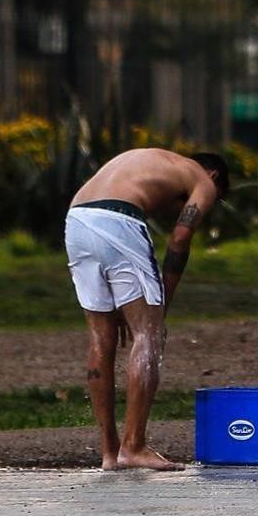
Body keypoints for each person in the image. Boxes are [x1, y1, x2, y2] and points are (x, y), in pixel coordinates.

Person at [65, 149, 230, 470]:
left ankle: (109, 453)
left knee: (101, 338)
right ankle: (134, 446)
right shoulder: (202, 179)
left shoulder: (149, 160)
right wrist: (159, 306)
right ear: (214, 177)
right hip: (118, 221)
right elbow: (180, 238)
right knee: (148, 336)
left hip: (76, 220)